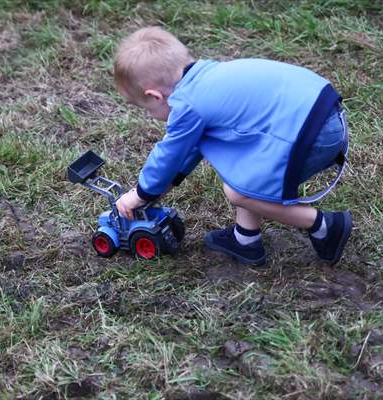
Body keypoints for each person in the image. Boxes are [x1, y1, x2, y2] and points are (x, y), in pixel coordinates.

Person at [113, 26, 352, 266]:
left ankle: (324, 225)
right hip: (324, 113)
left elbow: (169, 154)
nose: (149, 115)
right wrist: (167, 184)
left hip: (311, 134)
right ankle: (246, 240)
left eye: (145, 108)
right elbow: (191, 149)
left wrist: (141, 193)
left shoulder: (187, 104)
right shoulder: (207, 78)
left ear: (155, 96)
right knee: (244, 168)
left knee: (239, 192)